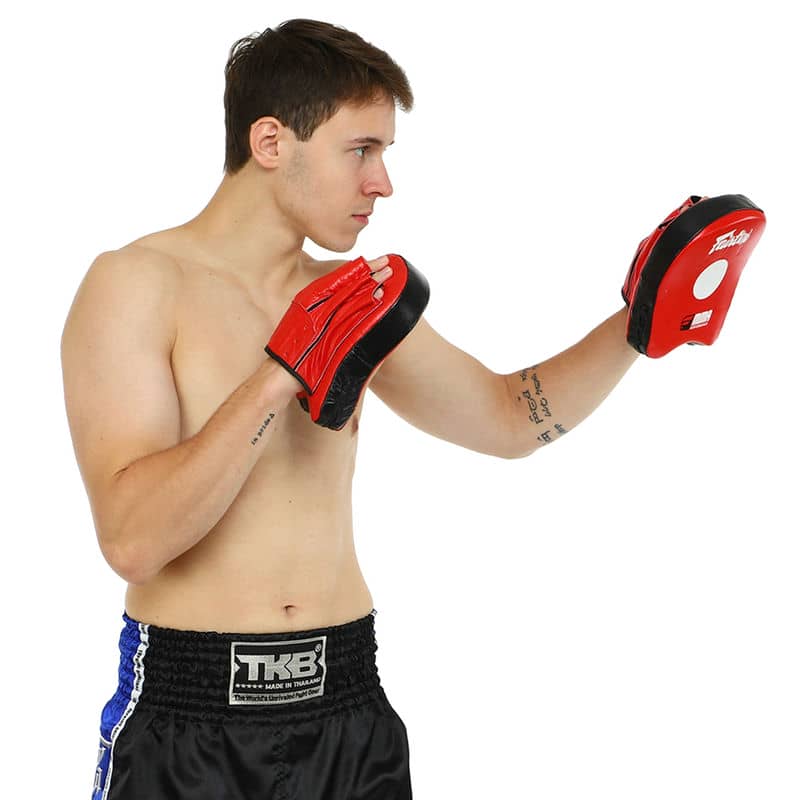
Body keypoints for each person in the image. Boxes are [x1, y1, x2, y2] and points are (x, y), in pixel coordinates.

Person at [61, 17, 758, 800]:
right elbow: (133, 541)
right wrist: (279, 374)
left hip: (348, 708)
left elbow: (507, 418)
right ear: (271, 142)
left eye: (384, 153)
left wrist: (636, 326)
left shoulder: (348, 299)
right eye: (361, 150)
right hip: (190, 715)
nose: (382, 183)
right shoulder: (137, 283)